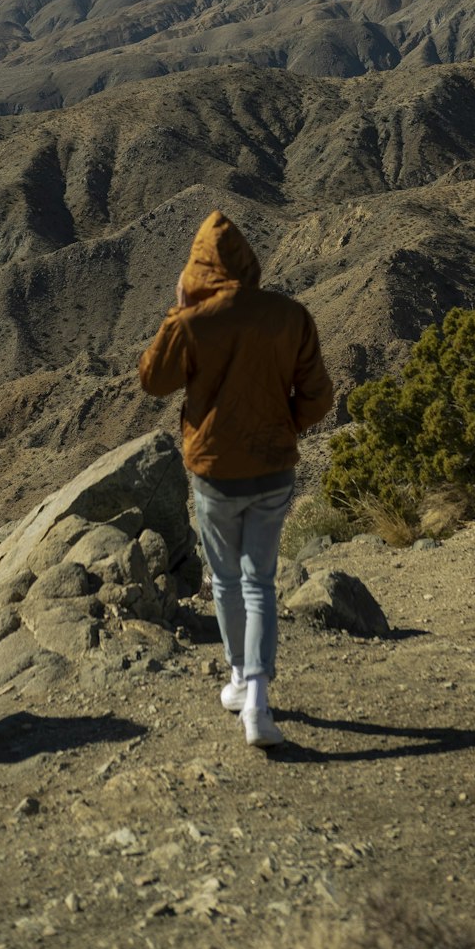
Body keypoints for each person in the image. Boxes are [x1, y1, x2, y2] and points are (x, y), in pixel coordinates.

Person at [139, 210, 334, 747]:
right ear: (250, 264)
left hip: (216, 474)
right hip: (274, 472)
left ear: (195, 271)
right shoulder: (290, 315)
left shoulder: (192, 323)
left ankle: (238, 677)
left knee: (225, 581)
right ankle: (258, 702)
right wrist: (280, 427)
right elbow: (319, 396)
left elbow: (152, 380)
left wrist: (178, 313)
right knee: (260, 581)